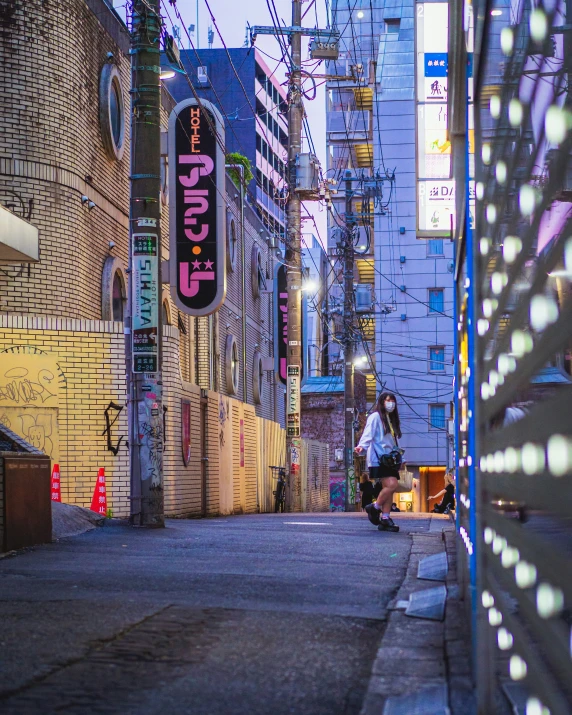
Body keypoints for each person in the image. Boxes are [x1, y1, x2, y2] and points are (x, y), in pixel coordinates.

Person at [354, 391, 402, 532]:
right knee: (392, 484)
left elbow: (393, 442)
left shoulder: (390, 419)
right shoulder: (375, 417)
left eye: (392, 401)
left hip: (390, 459)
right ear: (381, 402)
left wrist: (401, 458)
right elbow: (368, 433)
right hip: (379, 458)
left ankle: (385, 518)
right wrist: (362, 446)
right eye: (388, 400)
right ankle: (374, 508)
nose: (390, 403)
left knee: (390, 488)